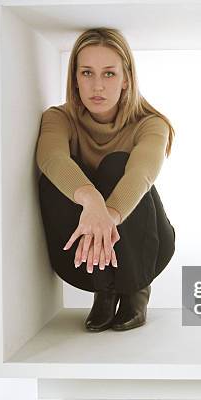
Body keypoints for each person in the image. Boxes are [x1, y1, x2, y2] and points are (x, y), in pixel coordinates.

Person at [35, 27, 176, 333]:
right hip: (83, 258)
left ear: (127, 79)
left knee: (117, 165)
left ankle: (134, 290)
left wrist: (106, 214)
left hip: (147, 249)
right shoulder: (59, 118)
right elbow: (52, 158)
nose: (97, 85)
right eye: (87, 72)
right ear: (74, 77)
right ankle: (105, 290)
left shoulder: (151, 124)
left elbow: (141, 174)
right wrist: (91, 200)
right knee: (52, 179)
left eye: (109, 74)